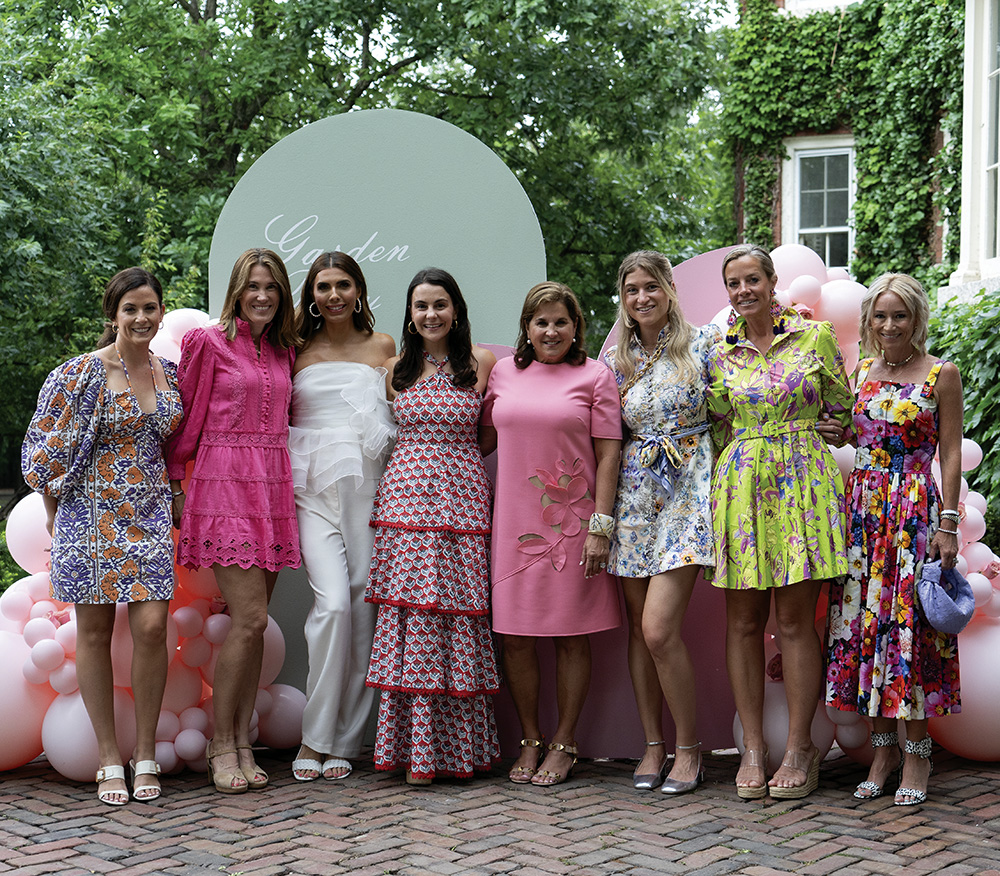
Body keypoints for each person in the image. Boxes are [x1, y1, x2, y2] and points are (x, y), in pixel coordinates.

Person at [22, 268, 183, 805]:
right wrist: (52, 512)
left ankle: (146, 752)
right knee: (92, 632)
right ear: (113, 314)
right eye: (130, 309)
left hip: (151, 512)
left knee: (154, 628)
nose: (141, 318)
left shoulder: (171, 375)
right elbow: (42, 451)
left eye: (150, 308)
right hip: (89, 515)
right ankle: (109, 756)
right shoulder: (80, 374)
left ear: (162, 312)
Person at [707, 244, 853, 800]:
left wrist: (816, 438)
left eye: (752, 280)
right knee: (742, 622)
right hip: (741, 487)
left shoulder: (814, 338)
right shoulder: (718, 354)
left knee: (795, 622)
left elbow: (842, 410)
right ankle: (753, 750)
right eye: (734, 284)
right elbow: (717, 427)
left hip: (803, 487)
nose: (743, 291)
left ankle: (799, 747)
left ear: (772, 282)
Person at [825, 273, 963, 807]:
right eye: (880, 316)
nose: (889, 326)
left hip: (912, 513)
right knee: (867, 628)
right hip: (863, 516)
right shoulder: (859, 372)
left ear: (916, 319)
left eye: (899, 315)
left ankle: (917, 754)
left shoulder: (940, 373)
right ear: (868, 320)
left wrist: (947, 523)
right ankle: (882, 751)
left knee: (910, 629)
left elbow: (949, 453)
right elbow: (851, 434)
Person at [167, 248, 301, 794]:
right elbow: (187, 418)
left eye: (271, 286)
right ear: (237, 291)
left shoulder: (285, 350)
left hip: (272, 487)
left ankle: (243, 741)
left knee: (256, 622)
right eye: (253, 286)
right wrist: (176, 483)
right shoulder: (208, 342)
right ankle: (223, 743)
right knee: (248, 621)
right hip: (223, 487)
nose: (262, 295)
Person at [481, 282, 622, 787]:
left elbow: (609, 456)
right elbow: (479, 438)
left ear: (575, 326)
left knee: (570, 636)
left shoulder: (595, 376)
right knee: (515, 638)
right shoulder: (502, 373)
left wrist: (600, 528)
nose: (551, 330)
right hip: (511, 526)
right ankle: (530, 738)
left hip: (574, 525)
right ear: (526, 328)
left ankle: (565, 742)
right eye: (541, 322)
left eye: (561, 321)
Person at [365, 267, 499, 785]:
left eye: (440, 304)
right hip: (403, 507)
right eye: (421, 306)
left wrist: (451, 464)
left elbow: (487, 436)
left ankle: (460, 752)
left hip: (463, 504)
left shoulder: (481, 363)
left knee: (460, 619)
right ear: (410, 313)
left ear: (457, 310)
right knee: (413, 619)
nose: (431, 314)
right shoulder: (394, 368)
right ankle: (416, 752)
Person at [604, 251, 719, 795]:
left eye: (651, 287)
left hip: (689, 494)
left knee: (658, 628)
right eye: (631, 290)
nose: (642, 298)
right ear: (622, 299)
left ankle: (690, 748)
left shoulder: (705, 345)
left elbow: (737, 407)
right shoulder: (616, 361)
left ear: (670, 288)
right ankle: (653, 743)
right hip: (634, 496)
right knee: (638, 630)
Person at [288, 252, 396, 782]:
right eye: (324, 286)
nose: (334, 295)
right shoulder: (296, 349)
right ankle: (314, 737)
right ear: (311, 294)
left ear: (359, 291)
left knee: (361, 602)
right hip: (308, 487)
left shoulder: (382, 347)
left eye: (343, 285)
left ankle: (348, 741)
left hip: (369, 483)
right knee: (331, 605)